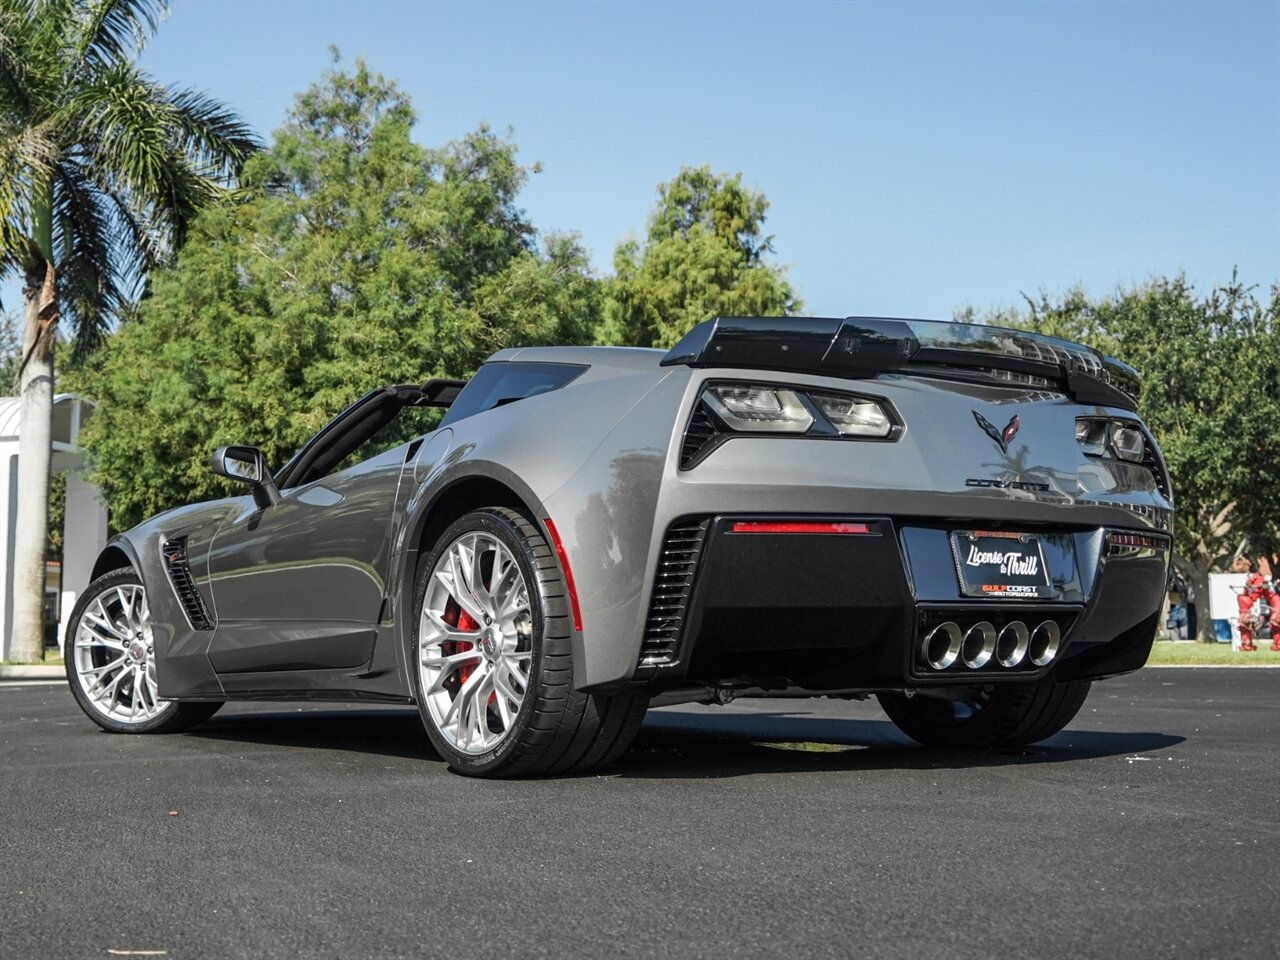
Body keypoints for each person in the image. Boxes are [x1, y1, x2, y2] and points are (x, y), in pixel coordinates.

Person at [1232, 556, 1280, 652]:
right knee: (1245, 618)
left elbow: (1267, 589)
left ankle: (1278, 643)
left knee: (1276, 618)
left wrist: (1259, 586)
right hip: (1250, 599)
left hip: (1272, 597)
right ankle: (1246, 644)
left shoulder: (1261, 578)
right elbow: (1248, 597)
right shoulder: (1252, 577)